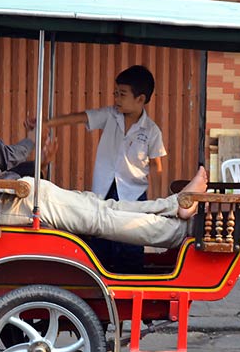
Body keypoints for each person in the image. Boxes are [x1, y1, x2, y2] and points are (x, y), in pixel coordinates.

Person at [0, 43, 206, 250]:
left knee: (96, 205)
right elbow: (3, 158)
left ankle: (175, 204)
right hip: (1, 202)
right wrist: (31, 138)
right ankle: (180, 231)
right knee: (97, 216)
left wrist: (37, 164)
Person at [45, 65, 165, 272]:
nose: (116, 99)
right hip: (105, 190)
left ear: (140, 99)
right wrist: (47, 122)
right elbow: (81, 117)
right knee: (99, 241)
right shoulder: (110, 115)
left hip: (134, 195)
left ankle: (130, 285)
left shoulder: (152, 131)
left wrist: (153, 202)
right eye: (115, 93)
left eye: (122, 94)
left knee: (130, 242)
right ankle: (98, 283)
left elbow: (157, 166)